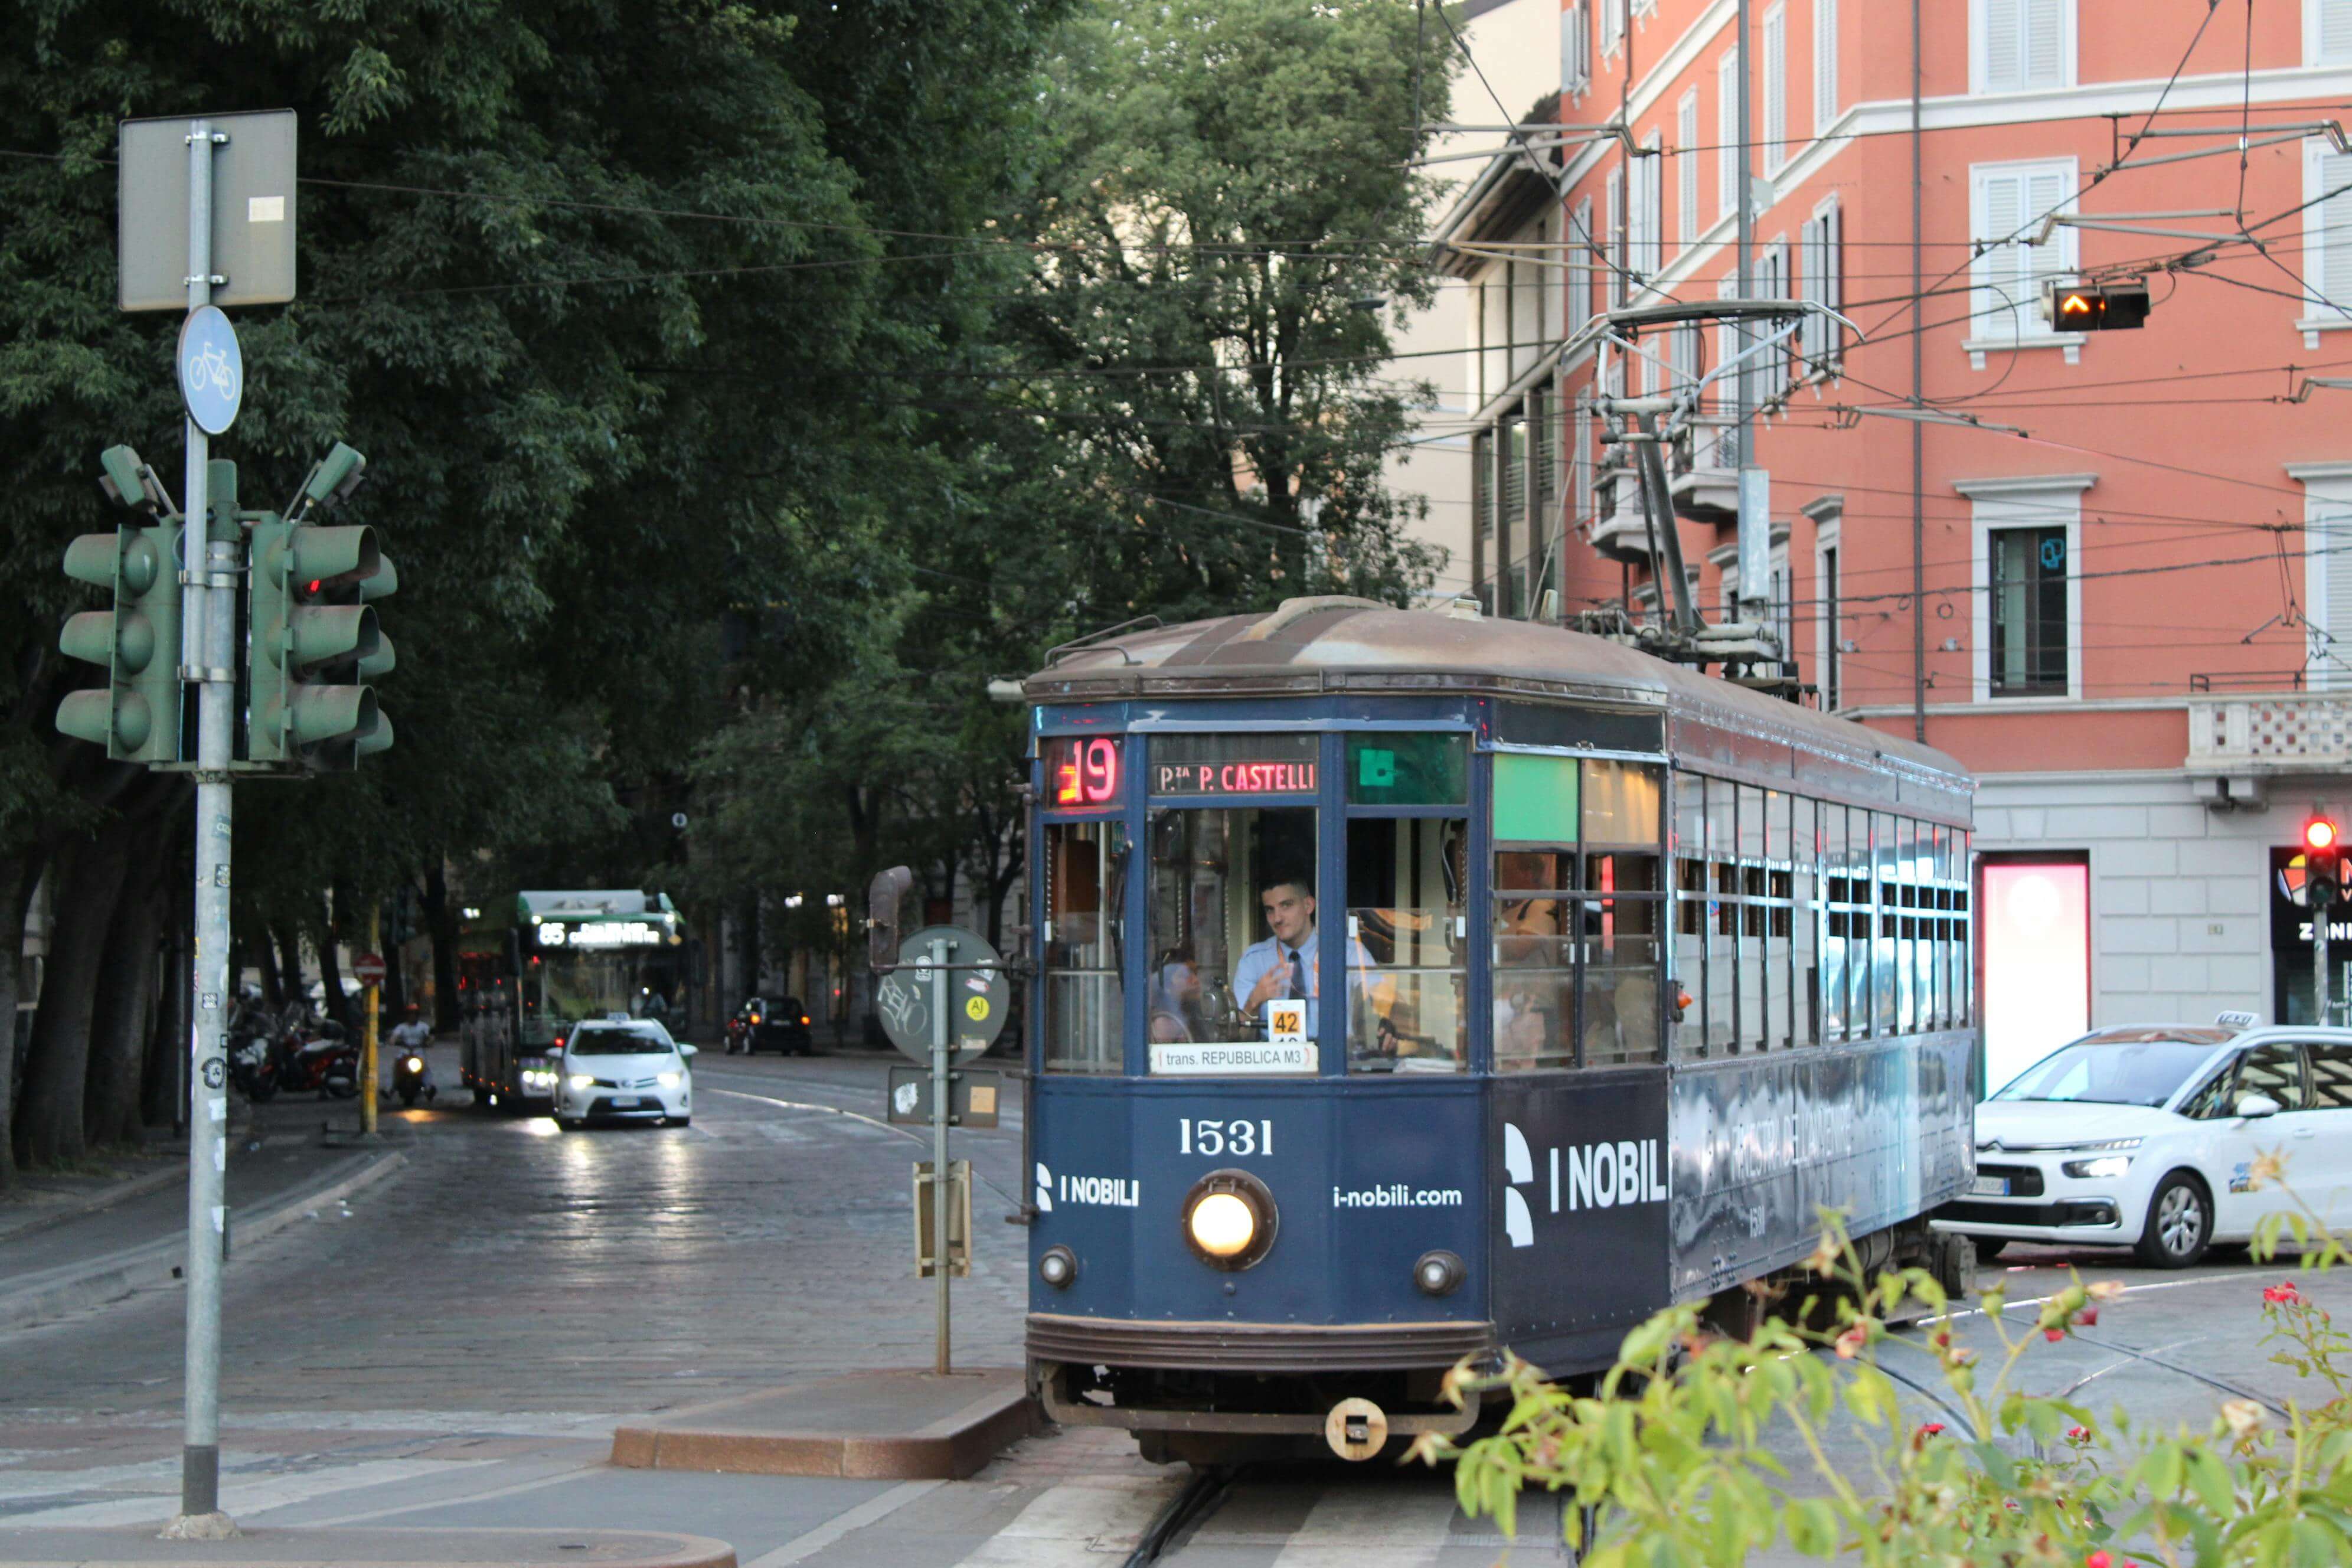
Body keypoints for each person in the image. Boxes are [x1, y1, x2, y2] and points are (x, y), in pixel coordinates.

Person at [1230, 876, 1374, 1037]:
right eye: (1270, 910)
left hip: (1334, 1057)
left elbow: (1384, 1002)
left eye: (1286, 905)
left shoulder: (1348, 953)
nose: (1277, 918)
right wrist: (1254, 1001)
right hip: (1276, 1059)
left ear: (1309, 905)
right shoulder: (1254, 960)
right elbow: (1239, 1038)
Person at [386, 1004, 435, 1093]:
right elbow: (394, 1037)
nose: (412, 1016)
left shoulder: (423, 1027)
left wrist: (429, 1042)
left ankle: (428, 1088)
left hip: (418, 1052)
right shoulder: (402, 1027)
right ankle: (390, 1089)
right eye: (410, 1014)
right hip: (404, 1052)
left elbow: (430, 1037)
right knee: (395, 1067)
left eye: (414, 1014)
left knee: (426, 1068)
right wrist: (393, 1041)